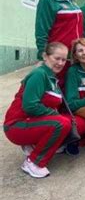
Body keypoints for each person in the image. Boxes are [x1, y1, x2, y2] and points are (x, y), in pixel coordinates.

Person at [3, 42, 73, 178]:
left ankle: (35, 145)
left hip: (30, 122)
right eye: (56, 58)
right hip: (16, 125)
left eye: (64, 59)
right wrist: (55, 115)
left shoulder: (52, 77)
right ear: (45, 56)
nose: (60, 63)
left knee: (70, 121)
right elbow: (30, 106)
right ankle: (33, 162)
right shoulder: (39, 74)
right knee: (61, 123)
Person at [35, 0, 83, 83]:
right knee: (55, 94)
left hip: (75, 57)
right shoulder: (47, 0)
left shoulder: (72, 1)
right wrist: (44, 56)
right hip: (58, 59)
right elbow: (41, 31)